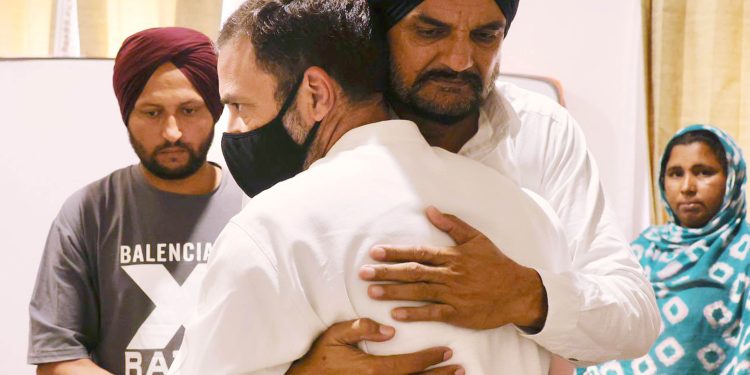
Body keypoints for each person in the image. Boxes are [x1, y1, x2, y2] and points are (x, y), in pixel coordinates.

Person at [170, 0, 574, 373]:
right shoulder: (531, 215)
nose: (233, 130)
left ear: (316, 95)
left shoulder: (272, 230)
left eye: (240, 106)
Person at [289, 0, 660, 372]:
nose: (459, 60)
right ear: (379, 35)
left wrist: (524, 295)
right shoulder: (320, 128)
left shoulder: (540, 132)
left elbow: (635, 317)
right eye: (430, 31)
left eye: (485, 36)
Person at [27, 27, 243, 375]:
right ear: (127, 114)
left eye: (189, 110)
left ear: (215, 110)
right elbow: (57, 358)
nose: (172, 132)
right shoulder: (88, 213)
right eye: (152, 113)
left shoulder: (258, 205)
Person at [579, 125, 750, 374]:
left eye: (704, 172)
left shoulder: (743, 253)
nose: (687, 187)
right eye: (675, 174)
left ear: (732, 178)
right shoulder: (642, 250)